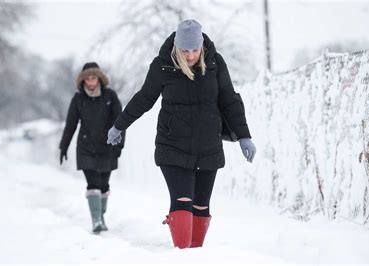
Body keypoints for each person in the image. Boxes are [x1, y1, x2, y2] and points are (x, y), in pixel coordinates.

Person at [107, 20, 256, 248]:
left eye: (194, 50)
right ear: (177, 46)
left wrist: (244, 135)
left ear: (201, 46)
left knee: (201, 206)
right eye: (185, 51)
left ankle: (195, 255)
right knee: (183, 201)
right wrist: (119, 125)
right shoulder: (163, 65)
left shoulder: (216, 62)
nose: (190, 56)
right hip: (172, 145)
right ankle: (182, 255)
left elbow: (229, 100)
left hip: (208, 145)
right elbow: (144, 98)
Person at [59, 62, 124, 234]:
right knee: (93, 183)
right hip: (86, 147)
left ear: (99, 78)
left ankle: (101, 217)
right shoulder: (78, 99)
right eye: (87, 78)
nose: (90, 81)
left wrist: (119, 146)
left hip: (107, 147)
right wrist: (63, 146)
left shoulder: (110, 96)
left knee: (103, 185)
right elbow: (70, 124)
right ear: (83, 80)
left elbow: (120, 123)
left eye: (93, 78)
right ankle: (96, 220)